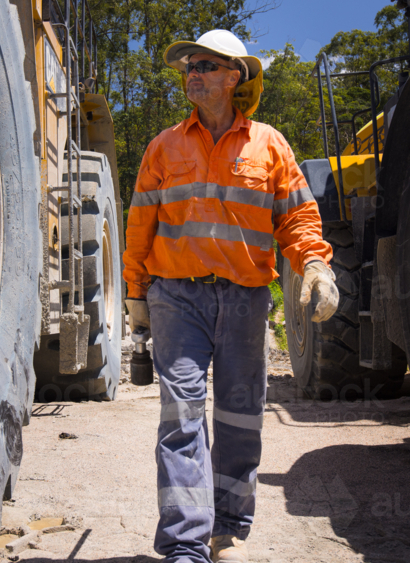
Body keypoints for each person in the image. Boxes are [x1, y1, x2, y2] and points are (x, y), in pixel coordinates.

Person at [123, 29, 339, 563]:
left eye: (206, 64)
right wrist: (136, 299)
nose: (192, 72)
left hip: (245, 299)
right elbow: (139, 229)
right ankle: (184, 546)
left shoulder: (269, 145)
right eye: (189, 65)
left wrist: (313, 264)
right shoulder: (163, 146)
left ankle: (226, 532)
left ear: (234, 75)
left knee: (240, 417)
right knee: (182, 417)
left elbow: (297, 217)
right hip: (177, 299)